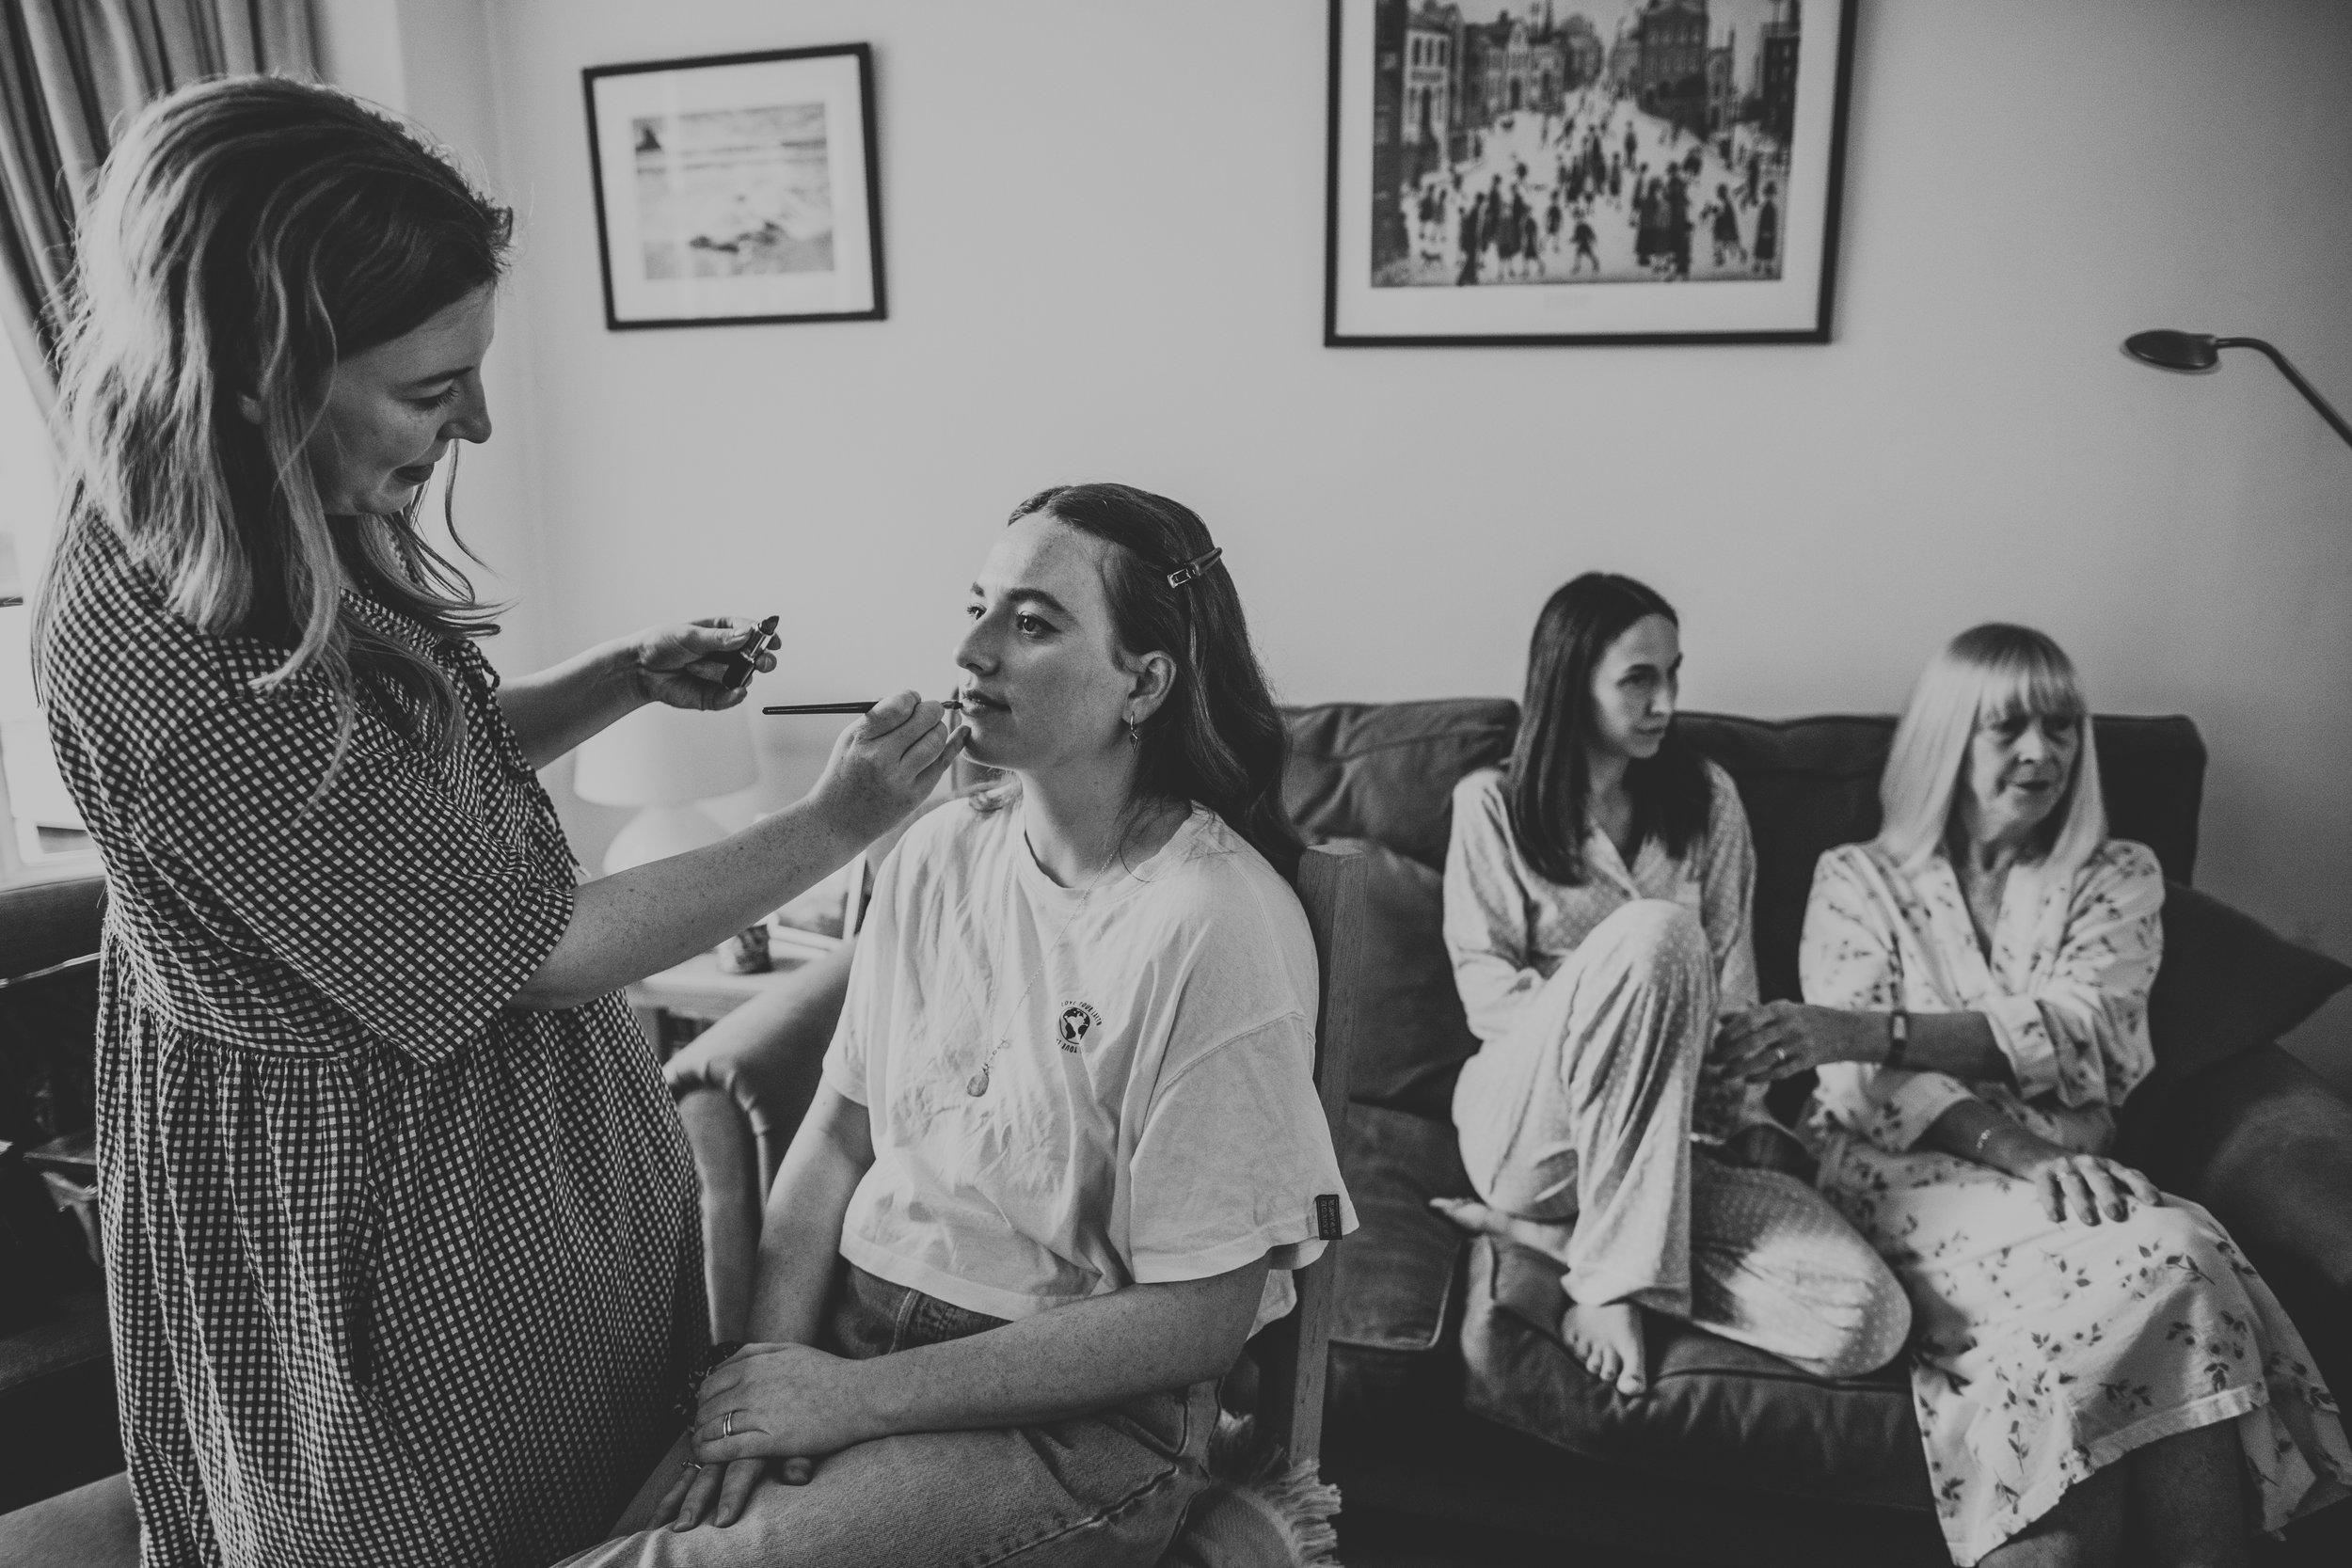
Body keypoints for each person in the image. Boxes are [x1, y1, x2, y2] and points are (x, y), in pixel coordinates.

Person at [32, 78, 960, 1568]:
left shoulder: (286, 503)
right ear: (260, 369)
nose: (472, 417)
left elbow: (394, 796)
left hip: (510, 1164)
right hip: (380, 1215)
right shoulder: (165, 649)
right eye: (427, 385)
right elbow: (545, 947)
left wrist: (612, 681)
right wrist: (844, 816)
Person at [564, 483, 1356, 1567]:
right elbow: (839, 1137)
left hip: (1066, 1423)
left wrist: (853, 1402)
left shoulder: (1210, 922)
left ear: (1146, 681)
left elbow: (1199, 1318)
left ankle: (1198, 1519)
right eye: (976, 605)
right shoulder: (934, 852)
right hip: (853, 1334)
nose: (972, 649)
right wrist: (771, 1366)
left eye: (1031, 622)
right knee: (623, 1535)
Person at [1716, 625, 2352, 1566]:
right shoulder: (1855, 881)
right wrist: (2023, 1148)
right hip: (1901, 1183)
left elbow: (2087, 1029)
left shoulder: (2117, 875)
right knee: (2177, 1253)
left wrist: (1875, 1026)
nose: (2040, 752)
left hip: (2070, 1187)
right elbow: (1858, 1088)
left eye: (2060, 728)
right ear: (1946, 740)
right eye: (2006, 727)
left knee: (2145, 1290)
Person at [1431, 575, 1909, 1399]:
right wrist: (1628, 1019)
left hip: (1674, 1147)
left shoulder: (1709, 800)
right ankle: (1613, 1282)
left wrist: (1741, 1104)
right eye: (1639, 679)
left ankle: (1563, 1244)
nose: (1666, 702)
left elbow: (1736, 988)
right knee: (1658, 933)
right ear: (1570, 680)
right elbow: (1489, 998)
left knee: (1869, 1320)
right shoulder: (1492, 807)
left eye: (1674, 676)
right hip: (1530, 1132)